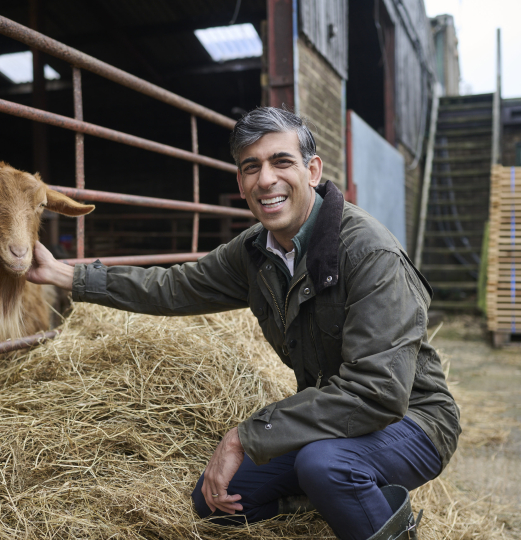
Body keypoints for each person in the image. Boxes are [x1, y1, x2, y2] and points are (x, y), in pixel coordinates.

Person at [26, 107, 460, 540]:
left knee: (326, 466)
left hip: (412, 421)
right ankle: (331, 503)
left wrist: (243, 437)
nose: (266, 179)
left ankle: (370, 512)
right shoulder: (255, 251)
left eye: (281, 161)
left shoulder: (369, 254)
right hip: (334, 421)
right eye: (251, 167)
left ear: (312, 170)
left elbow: (378, 393)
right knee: (218, 499)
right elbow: (176, 287)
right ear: (240, 183)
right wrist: (68, 276)